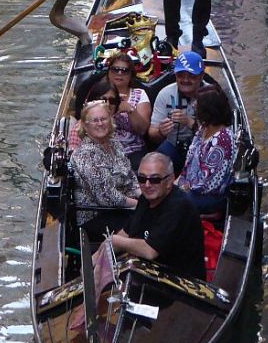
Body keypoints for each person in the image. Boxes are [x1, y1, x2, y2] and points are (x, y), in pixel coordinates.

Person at [110, 152, 206, 280]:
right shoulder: (146, 199)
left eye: (155, 179)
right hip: (150, 272)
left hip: (179, 282)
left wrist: (113, 240)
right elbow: (126, 232)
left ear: (169, 181)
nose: (147, 185)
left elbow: (149, 251)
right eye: (142, 179)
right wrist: (98, 257)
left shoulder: (179, 206)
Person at [70, 100, 140, 239]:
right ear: (85, 125)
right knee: (146, 223)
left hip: (121, 207)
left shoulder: (114, 142)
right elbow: (107, 197)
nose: (100, 123)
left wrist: (142, 195)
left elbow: (129, 175)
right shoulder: (86, 154)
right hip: (97, 215)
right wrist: (140, 205)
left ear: (110, 120)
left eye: (103, 119)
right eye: (95, 120)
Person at [177, 87, 236, 213]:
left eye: (196, 104)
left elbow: (209, 184)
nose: (193, 106)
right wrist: (178, 182)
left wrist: (185, 188)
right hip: (190, 186)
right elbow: (190, 159)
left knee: (173, 201)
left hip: (209, 196)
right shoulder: (203, 129)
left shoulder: (222, 140)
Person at [147, 50, 205, 172]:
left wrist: (191, 123)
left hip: (204, 147)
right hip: (173, 146)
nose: (185, 80)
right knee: (157, 162)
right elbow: (152, 133)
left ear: (201, 76)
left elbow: (218, 134)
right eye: (181, 75)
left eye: (191, 76)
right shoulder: (165, 94)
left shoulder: (212, 96)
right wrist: (161, 132)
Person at [106, 50, 152, 169]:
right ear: (109, 72)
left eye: (125, 70)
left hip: (133, 150)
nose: (119, 73)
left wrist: (130, 110)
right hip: (105, 148)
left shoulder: (139, 94)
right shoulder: (99, 92)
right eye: (115, 69)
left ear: (131, 75)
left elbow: (142, 130)